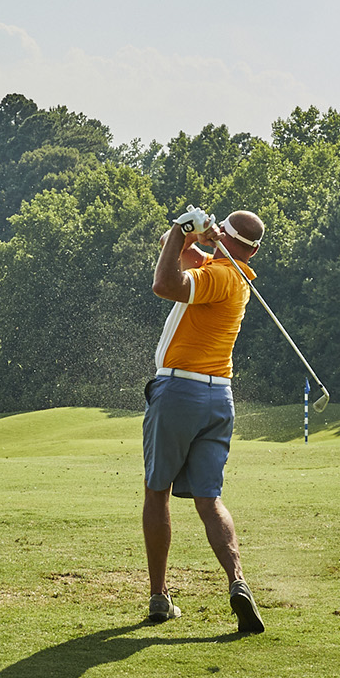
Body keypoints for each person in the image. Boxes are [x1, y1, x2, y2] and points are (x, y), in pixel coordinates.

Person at [141, 209, 267, 633]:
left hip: (180, 390)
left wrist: (184, 230)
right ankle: (238, 582)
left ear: (227, 238)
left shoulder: (218, 276)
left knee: (157, 491)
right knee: (209, 499)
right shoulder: (236, 275)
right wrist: (191, 236)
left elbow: (164, 284)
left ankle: (159, 597)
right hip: (219, 397)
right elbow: (170, 248)